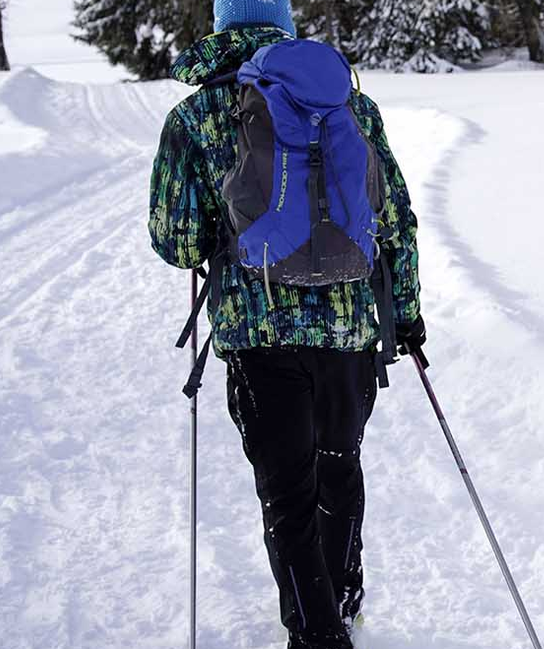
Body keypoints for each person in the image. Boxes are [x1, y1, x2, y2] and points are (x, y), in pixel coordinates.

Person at [148, 2, 424, 647]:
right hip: (350, 328)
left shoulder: (194, 116)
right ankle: (344, 595)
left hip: (258, 334)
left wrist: (221, 238)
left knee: (287, 493)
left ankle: (315, 631)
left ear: (222, 24)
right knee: (339, 465)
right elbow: (395, 219)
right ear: (285, 24)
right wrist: (405, 314)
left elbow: (176, 238)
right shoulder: (349, 104)